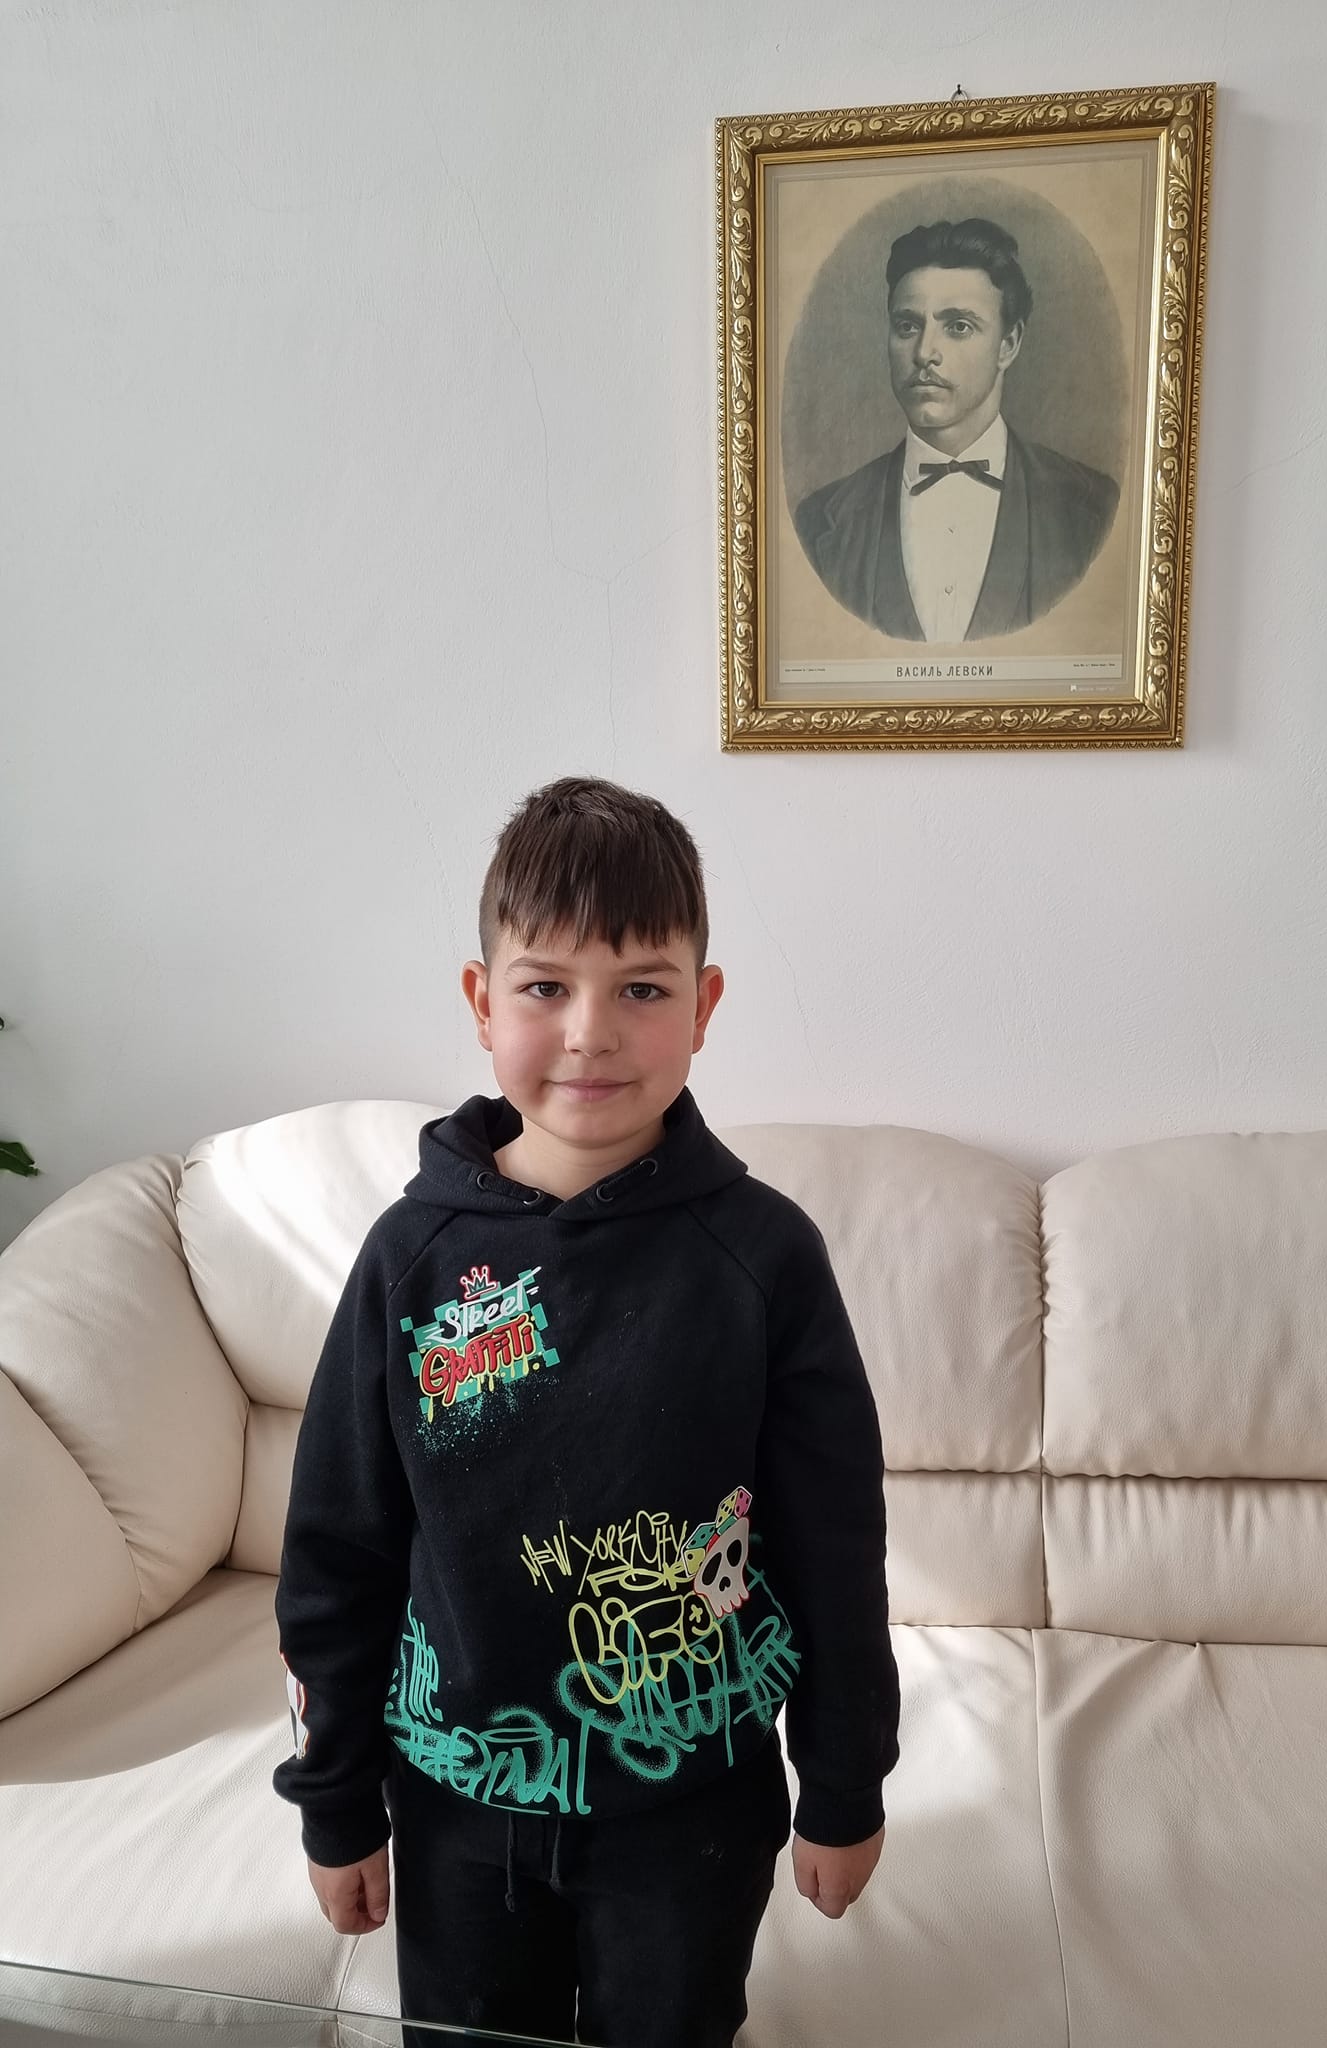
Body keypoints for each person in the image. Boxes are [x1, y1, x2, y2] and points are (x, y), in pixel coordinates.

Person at [272, 775, 901, 2048]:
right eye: (546, 985)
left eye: (644, 988)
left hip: (693, 1809)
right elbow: (337, 1546)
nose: (591, 1032)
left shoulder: (766, 1256)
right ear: (482, 999)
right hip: (455, 1804)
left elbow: (834, 1545)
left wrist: (844, 1780)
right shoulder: (409, 1259)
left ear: (704, 1006)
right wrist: (333, 1795)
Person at [793, 216, 1120, 641]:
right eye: (908, 326)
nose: (924, 352)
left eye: (958, 327)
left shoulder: (1090, 510)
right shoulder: (821, 522)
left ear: (1008, 345)